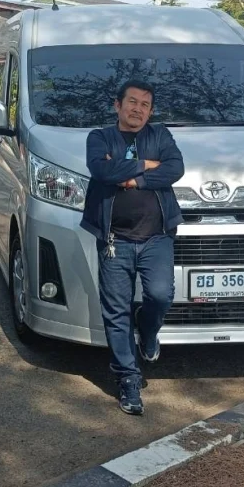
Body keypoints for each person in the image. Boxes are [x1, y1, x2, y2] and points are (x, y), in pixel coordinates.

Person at [80, 81, 185, 416]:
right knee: (115, 311)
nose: (138, 109)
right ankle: (128, 377)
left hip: (157, 236)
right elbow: (101, 169)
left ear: (150, 112)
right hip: (114, 239)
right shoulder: (99, 137)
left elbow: (175, 168)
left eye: (145, 105)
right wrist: (148, 165)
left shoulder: (160, 135)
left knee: (160, 296)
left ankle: (149, 330)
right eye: (132, 102)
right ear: (118, 105)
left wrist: (134, 179)